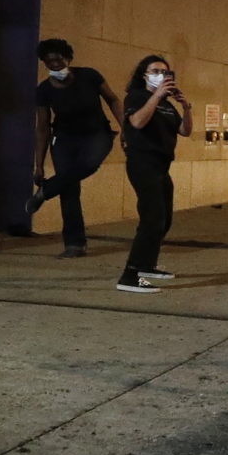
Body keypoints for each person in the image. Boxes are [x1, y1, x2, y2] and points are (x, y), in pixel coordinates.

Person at [27, 40, 123, 257]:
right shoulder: (44, 90)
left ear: (68, 59)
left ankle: (46, 192)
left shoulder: (89, 76)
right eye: (49, 62)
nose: (55, 65)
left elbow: (113, 99)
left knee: (89, 164)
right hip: (64, 139)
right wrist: (39, 165)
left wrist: (126, 128)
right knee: (69, 189)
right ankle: (74, 244)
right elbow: (42, 127)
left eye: (59, 60)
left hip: (97, 134)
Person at [117, 54, 192, 294]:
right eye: (155, 71)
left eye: (165, 72)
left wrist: (186, 107)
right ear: (144, 74)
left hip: (162, 165)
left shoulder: (167, 104)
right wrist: (157, 95)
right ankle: (130, 275)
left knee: (164, 218)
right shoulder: (137, 97)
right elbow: (137, 122)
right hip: (142, 163)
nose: (161, 75)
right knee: (152, 218)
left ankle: (147, 265)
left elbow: (185, 131)